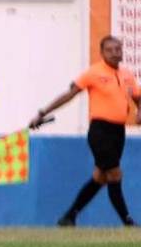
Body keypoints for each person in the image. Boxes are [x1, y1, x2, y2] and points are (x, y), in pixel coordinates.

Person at [29, 35, 139, 227]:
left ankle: (69, 216)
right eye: (110, 50)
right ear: (101, 52)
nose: (115, 53)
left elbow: (138, 97)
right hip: (100, 131)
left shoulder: (127, 75)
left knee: (100, 177)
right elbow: (69, 95)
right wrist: (42, 112)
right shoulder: (93, 73)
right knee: (115, 174)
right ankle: (128, 222)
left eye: (118, 49)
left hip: (118, 133)